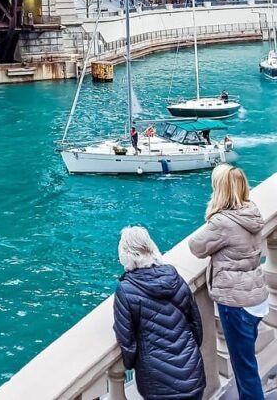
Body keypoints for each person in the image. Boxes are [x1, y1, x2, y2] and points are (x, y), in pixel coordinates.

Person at [189, 165, 268, 400]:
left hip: (237, 304)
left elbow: (196, 247)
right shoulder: (251, 212)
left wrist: (213, 215)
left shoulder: (223, 223)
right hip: (256, 296)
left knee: (245, 370)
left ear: (220, 190)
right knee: (246, 363)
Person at [113, 226, 205, 400]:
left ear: (125, 255)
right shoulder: (175, 277)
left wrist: (132, 365)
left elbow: (127, 342)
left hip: (157, 383)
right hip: (192, 373)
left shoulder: (126, 291)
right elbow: (196, 325)